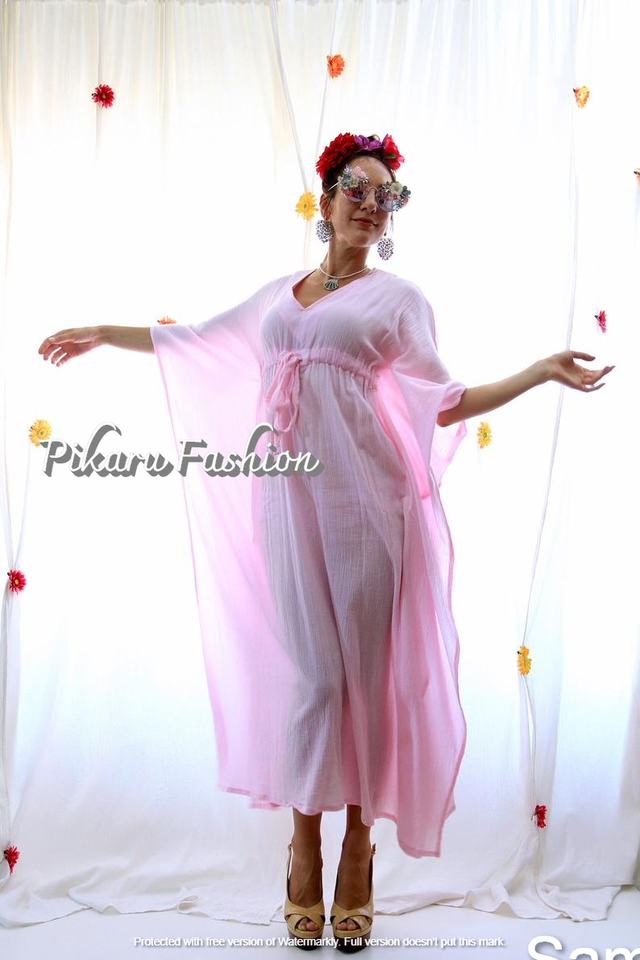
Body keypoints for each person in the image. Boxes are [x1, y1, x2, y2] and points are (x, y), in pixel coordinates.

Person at [37, 131, 615, 953]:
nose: (372, 204)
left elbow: (444, 400)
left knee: (364, 684)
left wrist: (537, 372)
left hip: (366, 505)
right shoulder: (280, 297)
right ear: (326, 196)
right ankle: (303, 844)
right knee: (313, 680)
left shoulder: (399, 301)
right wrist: (103, 330)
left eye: (388, 195)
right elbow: (198, 337)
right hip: (284, 500)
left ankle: (357, 848)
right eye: (358, 188)